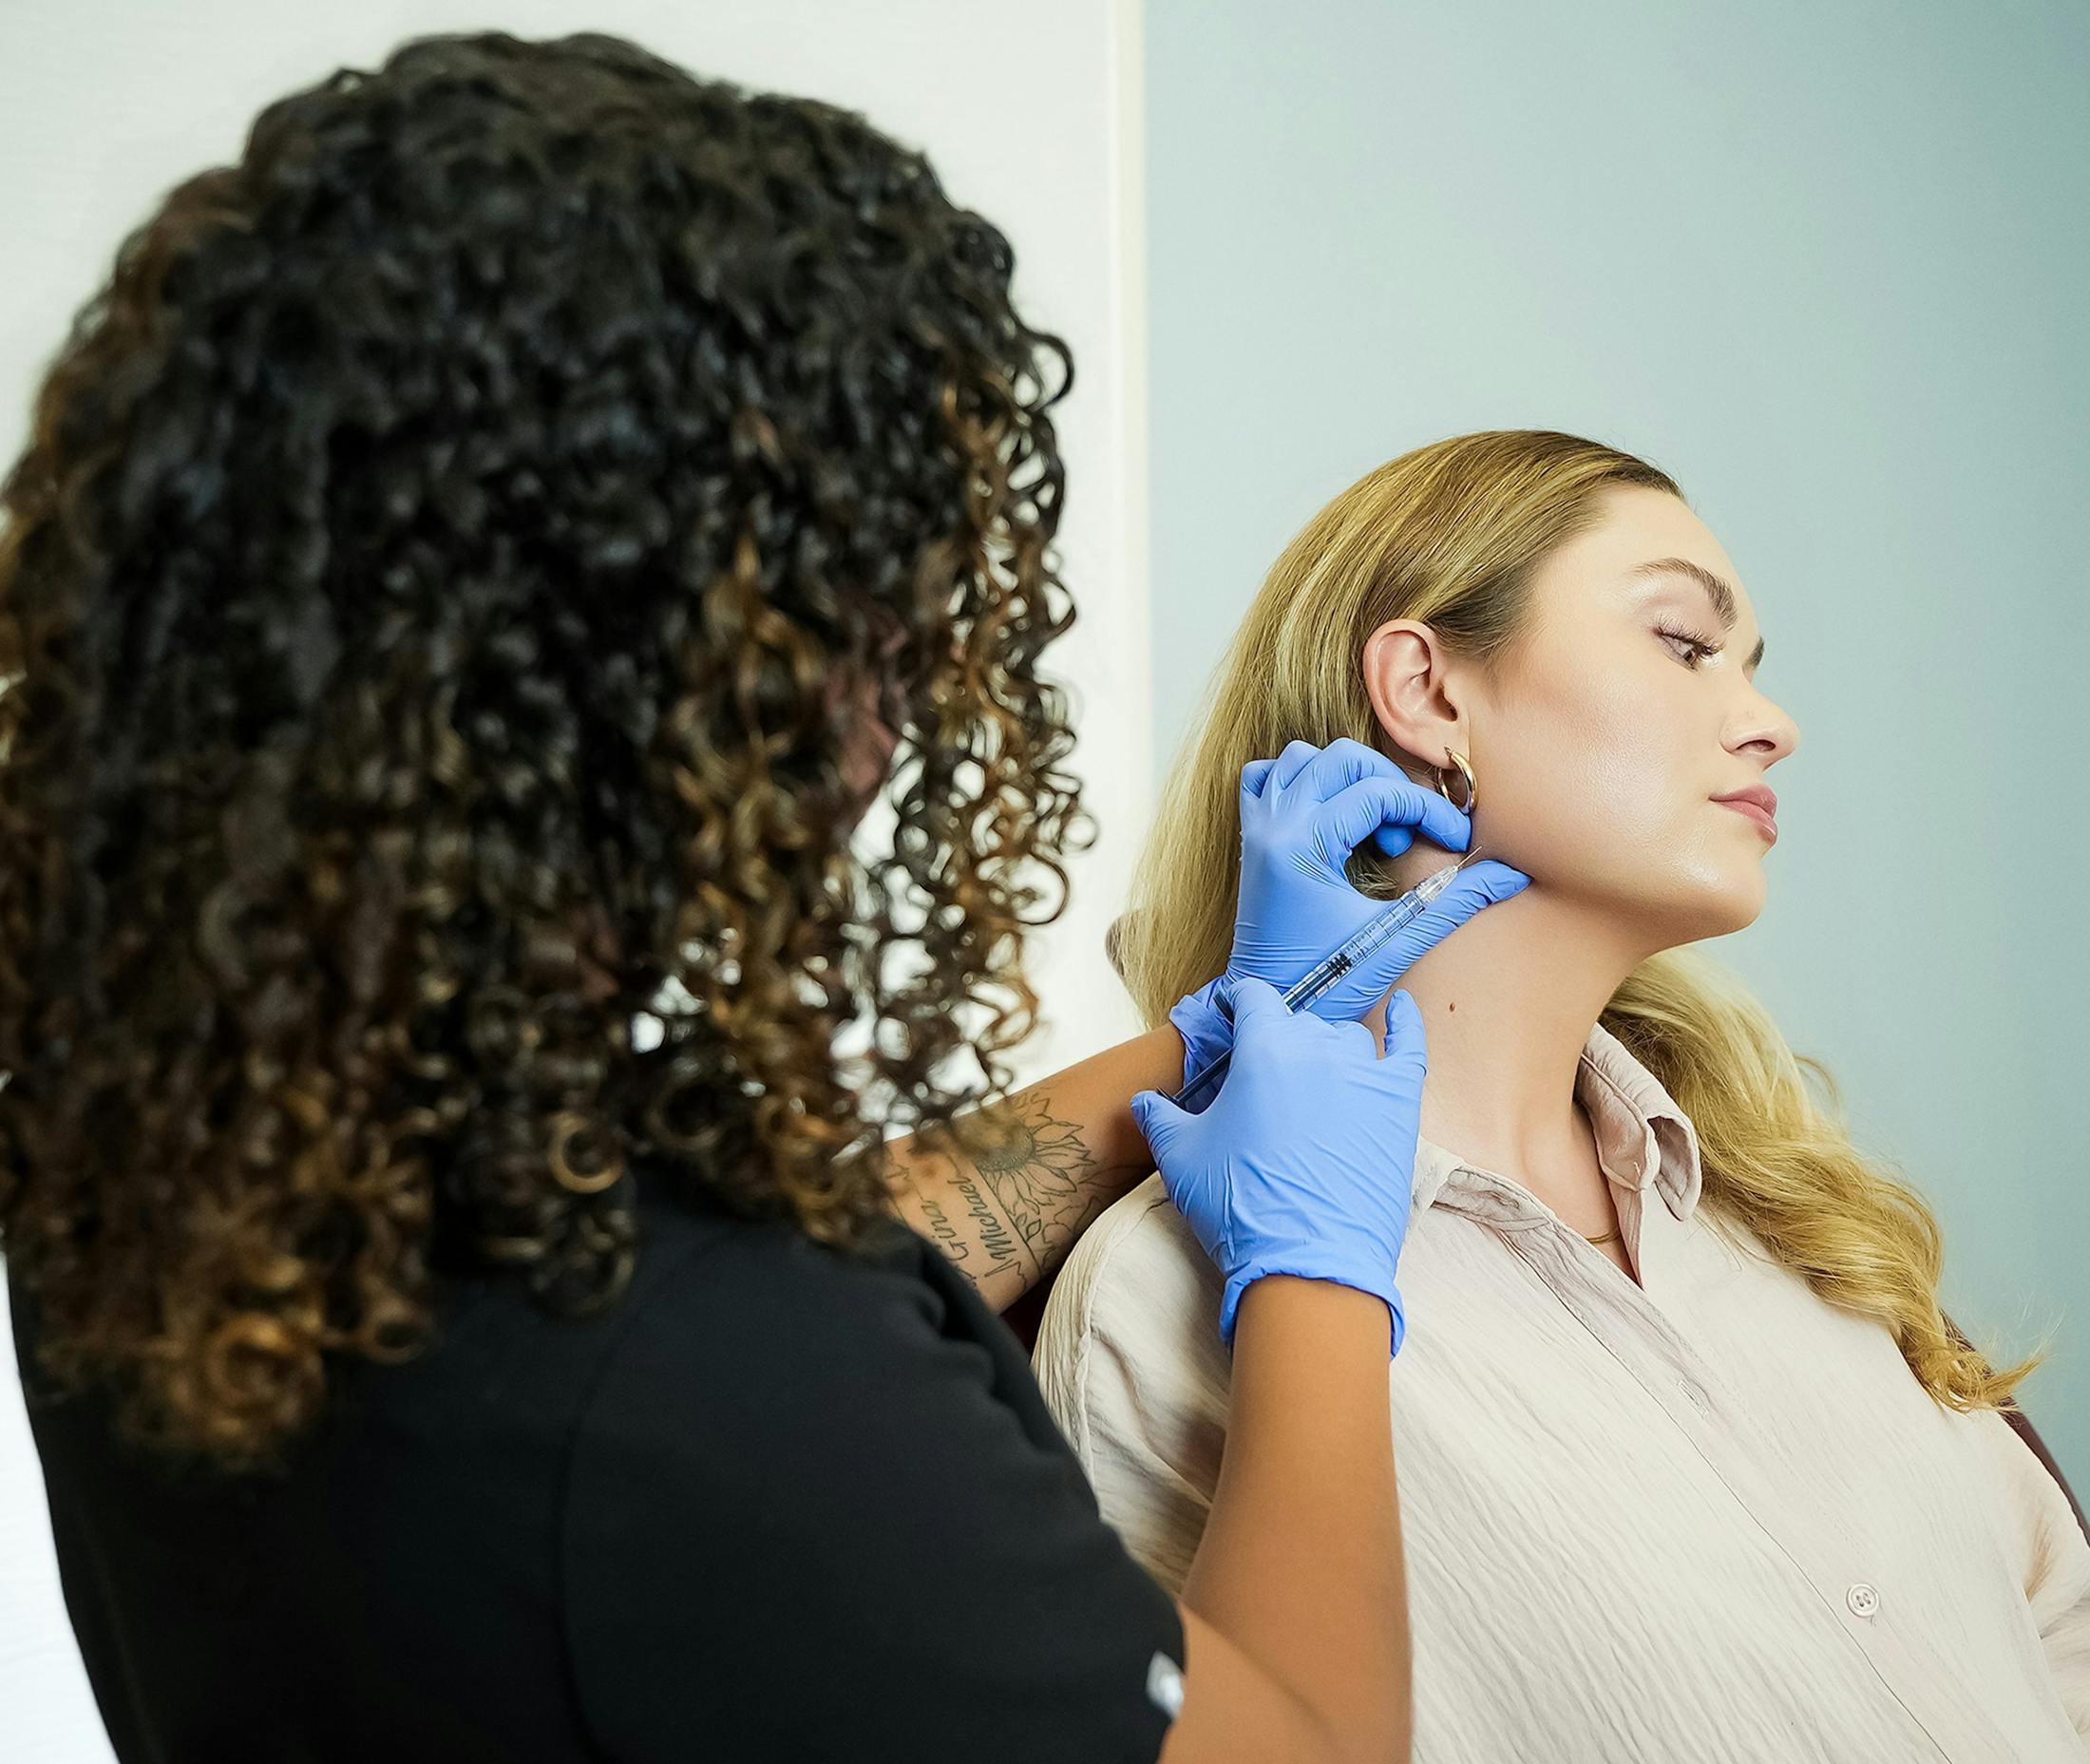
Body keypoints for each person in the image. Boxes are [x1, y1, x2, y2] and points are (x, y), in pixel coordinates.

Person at [0, 32, 1530, 1764]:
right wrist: (1314, 1266)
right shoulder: (692, 1375)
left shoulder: (176, 1144)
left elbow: (789, 1272)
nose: (896, 720)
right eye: (873, 623)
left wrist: (1203, 1049)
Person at [1030, 429, 2090, 1761]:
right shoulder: (1157, 1307)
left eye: (1750, 664)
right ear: (1429, 692)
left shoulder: (1800, 1228)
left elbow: (2059, 1636)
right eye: (1686, 644)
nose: (1773, 721)